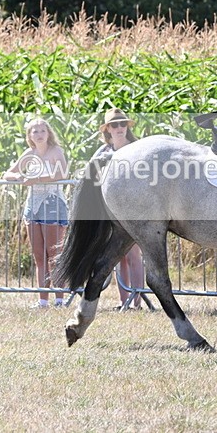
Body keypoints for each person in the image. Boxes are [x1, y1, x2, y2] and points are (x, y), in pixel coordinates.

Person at [3, 117, 69, 309]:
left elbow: (62, 174)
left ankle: (59, 298)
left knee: (54, 254)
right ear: (29, 136)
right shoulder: (28, 154)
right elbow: (8, 173)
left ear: (48, 133)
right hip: (33, 206)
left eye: (42, 131)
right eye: (35, 131)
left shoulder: (56, 151)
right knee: (39, 255)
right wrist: (18, 176)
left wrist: (37, 179)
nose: (39, 135)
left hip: (52, 203)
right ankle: (42, 300)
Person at [92, 107, 145, 309]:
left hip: (134, 209)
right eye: (115, 125)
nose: (120, 127)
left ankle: (137, 301)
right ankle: (124, 301)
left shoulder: (138, 149)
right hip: (111, 211)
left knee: (134, 255)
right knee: (119, 257)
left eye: (123, 124)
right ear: (108, 130)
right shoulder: (103, 152)